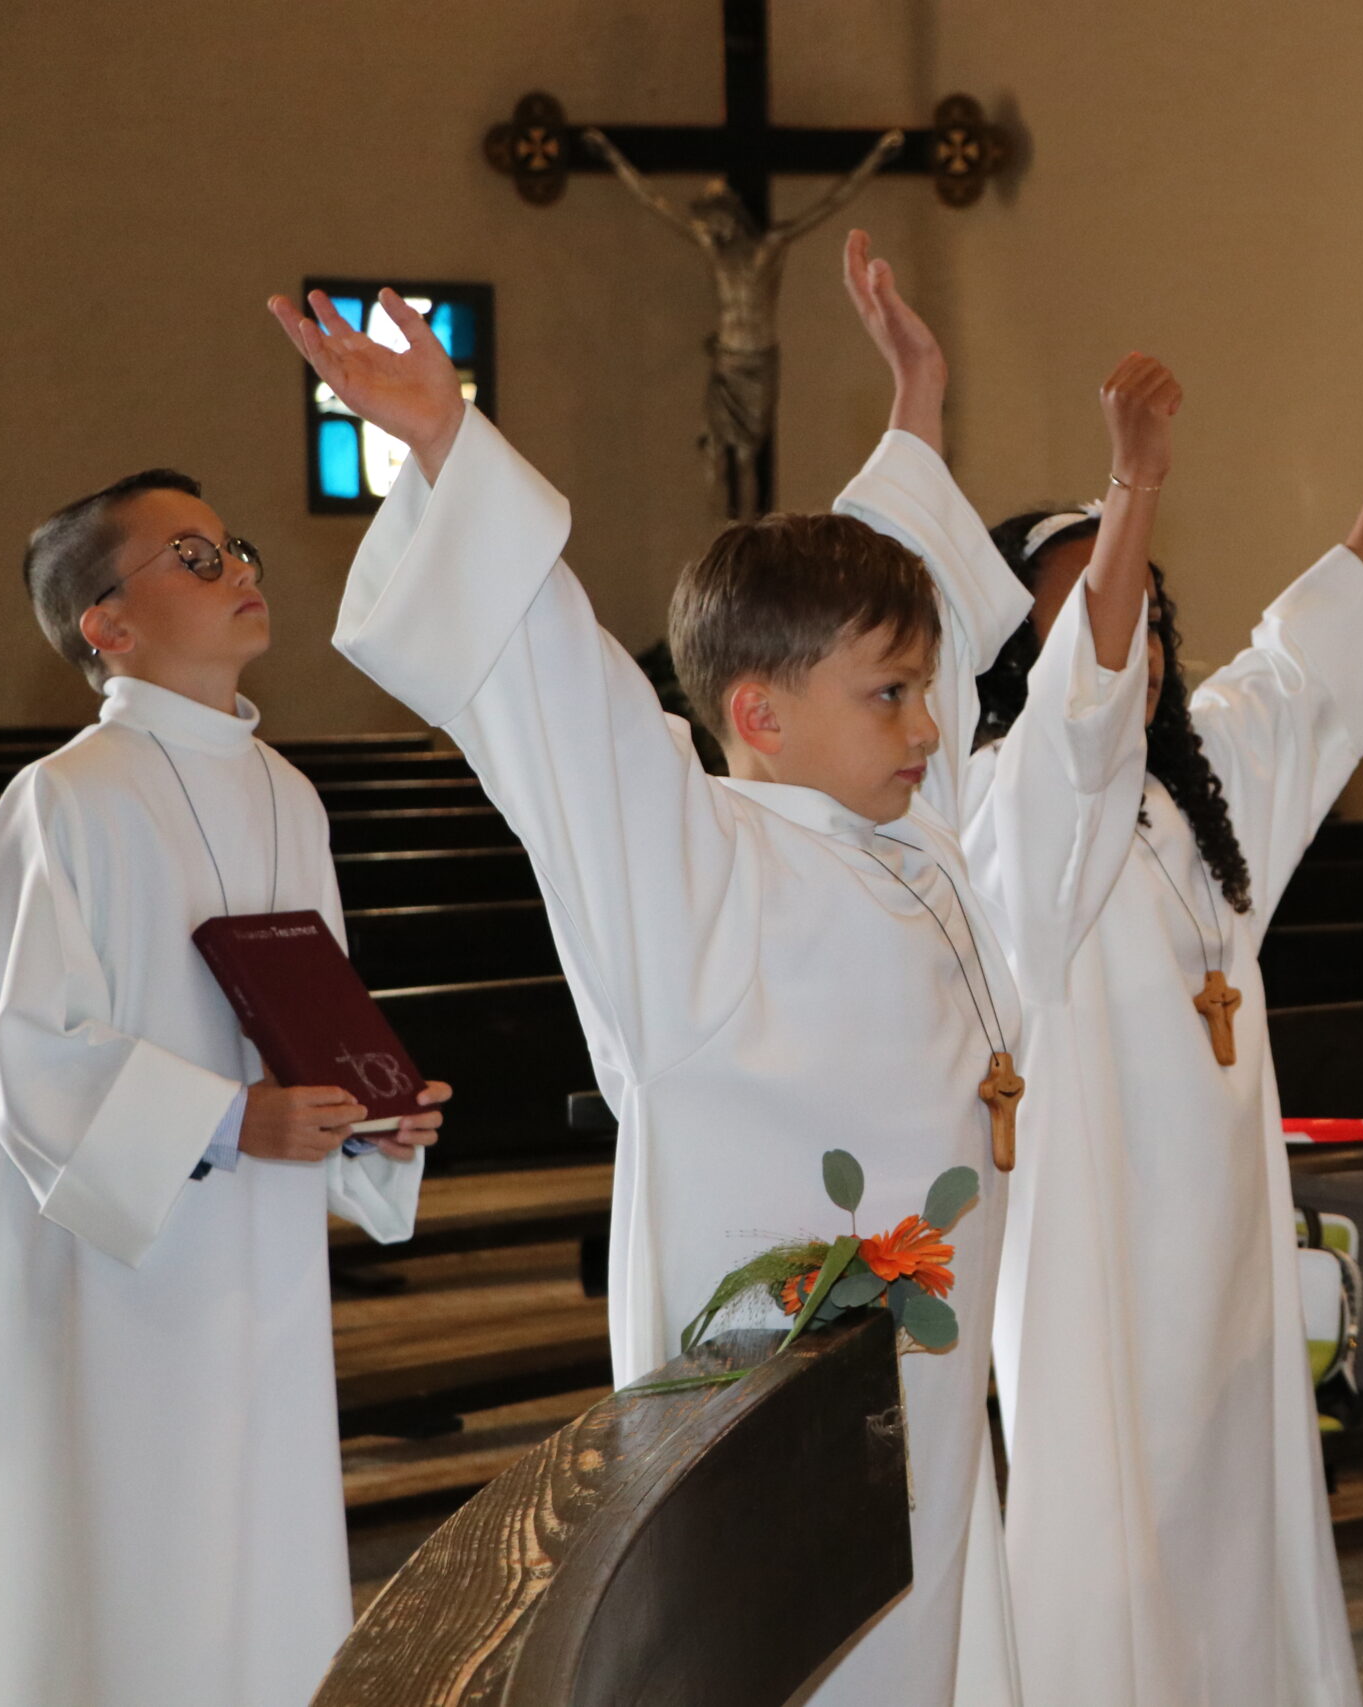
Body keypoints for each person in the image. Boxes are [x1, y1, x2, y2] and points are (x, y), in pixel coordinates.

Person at [270, 265, 1073, 1702]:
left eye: (925, 688)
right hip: (774, 1389)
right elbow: (562, 695)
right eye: (892, 695)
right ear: (757, 712)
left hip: (930, 1380)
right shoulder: (696, 861)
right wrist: (448, 441)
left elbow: (883, 591)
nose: (930, 724)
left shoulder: (911, 838)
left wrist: (917, 409)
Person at [951, 272, 1363, 1698]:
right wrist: (1133, 485)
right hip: (1095, 1227)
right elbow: (1079, 721)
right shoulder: (1002, 802)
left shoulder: (1201, 789)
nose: (1131, 624)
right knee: (1114, 1530)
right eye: (1087, 606)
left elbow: (1308, 670)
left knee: (1240, 1513)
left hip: (1224, 1225)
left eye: (1143, 597)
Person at [0, 469, 445, 1706]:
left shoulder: (287, 794)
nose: (241, 572)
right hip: (121, 1267)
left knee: (255, 1540)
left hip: (260, 1250)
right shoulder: (64, 798)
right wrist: (226, 1121)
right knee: (135, 1557)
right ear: (106, 625)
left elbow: (309, 1016)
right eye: (195, 558)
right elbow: (10, 1043)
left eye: (237, 547)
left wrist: (368, 1121)